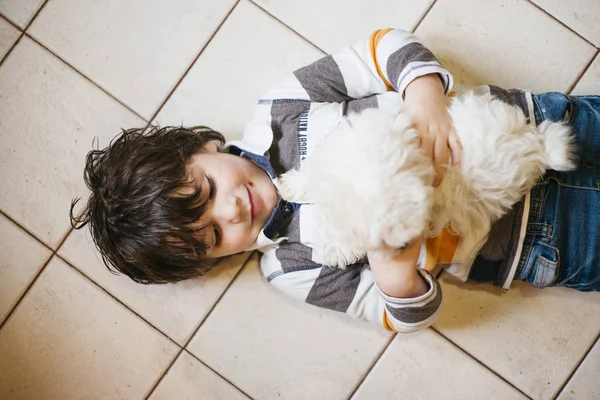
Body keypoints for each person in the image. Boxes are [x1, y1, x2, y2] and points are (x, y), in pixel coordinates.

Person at [71, 28, 600, 333]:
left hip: (529, 125)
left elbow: (381, 49)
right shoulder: (290, 269)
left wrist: (424, 97)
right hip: (535, 243)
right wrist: (394, 274)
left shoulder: (281, 108)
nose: (231, 212)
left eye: (208, 191)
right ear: (212, 259)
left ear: (204, 148)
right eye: (212, 235)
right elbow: (402, 317)